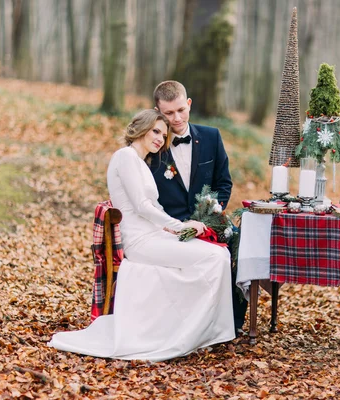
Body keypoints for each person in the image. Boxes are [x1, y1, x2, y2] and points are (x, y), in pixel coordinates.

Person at [48, 110, 235, 361]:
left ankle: (208, 329)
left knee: (220, 253)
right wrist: (176, 227)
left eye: (164, 135)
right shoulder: (124, 157)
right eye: (156, 131)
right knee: (214, 257)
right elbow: (140, 206)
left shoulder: (142, 162)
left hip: (155, 235)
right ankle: (193, 332)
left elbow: (154, 207)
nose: (160, 139)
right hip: (140, 241)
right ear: (142, 128)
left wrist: (183, 225)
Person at [150, 81, 248, 334]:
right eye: (169, 114)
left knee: (240, 247)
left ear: (189, 104)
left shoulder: (211, 137)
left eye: (181, 110)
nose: (177, 118)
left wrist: (212, 213)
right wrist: (175, 224)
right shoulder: (152, 147)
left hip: (209, 219)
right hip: (171, 225)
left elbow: (224, 182)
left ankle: (233, 323)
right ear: (158, 112)